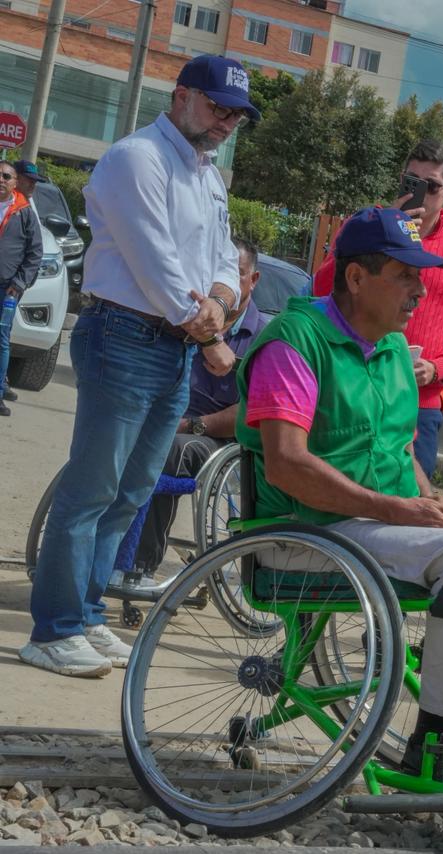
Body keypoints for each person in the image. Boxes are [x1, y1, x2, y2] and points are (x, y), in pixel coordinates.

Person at [237, 206, 443, 762]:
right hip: (304, 531)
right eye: (404, 276)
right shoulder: (294, 342)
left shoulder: (393, 348)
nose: (420, 291)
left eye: (420, 277)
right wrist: (399, 510)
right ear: (356, 278)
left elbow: (399, 446)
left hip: (374, 527)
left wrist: (427, 496)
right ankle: (438, 734)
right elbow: (286, 465)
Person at [21, 54, 251, 678]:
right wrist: (208, 325)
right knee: (92, 488)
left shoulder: (208, 176)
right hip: (125, 334)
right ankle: (54, 629)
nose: (227, 121)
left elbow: (224, 259)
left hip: (172, 347)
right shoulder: (136, 158)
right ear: (181, 96)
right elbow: (156, 264)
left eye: (237, 114)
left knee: (130, 491)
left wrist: (219, 300)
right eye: (218, 107)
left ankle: (86, 613)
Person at [313, 139, 443, 480]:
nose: (417, 194)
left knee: (408, 497)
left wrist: (436, 368)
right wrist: (386, 229)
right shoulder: (366, 226)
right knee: (338, 489)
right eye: (410, 182)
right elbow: (321, 288)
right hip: (351, 387)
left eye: (430, 186)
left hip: (418, 401)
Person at [132, 238, 269, 578]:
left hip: (221, 440)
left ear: (253, 280)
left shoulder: (264, 338)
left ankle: (140, 565)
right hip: (168, 420)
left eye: (237, 274)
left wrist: (191, 424)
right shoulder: (189, 319)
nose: (226, 282)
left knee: (173, 450)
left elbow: (251, 413)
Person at [0, 160, 43, 417]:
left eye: (7, 176)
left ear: (14, 182)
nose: (2, 180)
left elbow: (35, 253)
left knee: (1, 340)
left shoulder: (24, 211)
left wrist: (18, 283)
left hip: (6, 288)